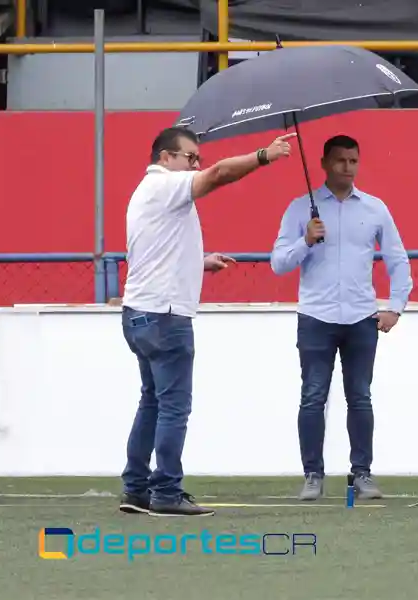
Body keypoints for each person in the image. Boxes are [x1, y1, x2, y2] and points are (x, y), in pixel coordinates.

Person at [118, 126, 296, 517]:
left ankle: (135, 488)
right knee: (173, 407)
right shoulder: (166, 186)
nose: (196, 164)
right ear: (165, 158)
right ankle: (165, 491)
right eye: (189, 157)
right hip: (165, 316)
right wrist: (263, 155)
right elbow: (218, 175)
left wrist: (199, 263)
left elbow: (153, 254)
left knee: (152, 402)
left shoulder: (145, 193)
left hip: (140, 312)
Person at [271, 134, 412, 502]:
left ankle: (362, 473)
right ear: (324, 164)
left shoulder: (375, 208)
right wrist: (306, 240)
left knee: (360, 397)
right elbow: (278, 263)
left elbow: (397, 259)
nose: (347, 167)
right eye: (340, 161)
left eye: (353, 161)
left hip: (361, 316)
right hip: (316, 316)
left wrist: (395, 306)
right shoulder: (301, 208)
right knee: (313, 397)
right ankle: (313, 475)